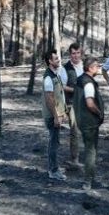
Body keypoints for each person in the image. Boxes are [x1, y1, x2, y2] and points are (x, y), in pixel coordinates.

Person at [73, 56, 105, 190]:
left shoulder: (80, 80)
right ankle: (88, 181)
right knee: (91, 151)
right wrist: (99, 113)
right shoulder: (88, 83)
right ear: (91, 68)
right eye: (97, 66)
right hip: (89, 121)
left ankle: (90, 178)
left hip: (81, 119)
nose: (98, 68)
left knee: (89, 150)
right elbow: (90, 103)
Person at [41, 49, 67, 182]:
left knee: (55, 142)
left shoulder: (55, 74)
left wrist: (63, 112)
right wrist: (56, 116)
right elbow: (49, 99)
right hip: (52, 116)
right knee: (53, 143)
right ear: (50, 61)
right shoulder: (48, 78)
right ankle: (53, 170)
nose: (58, 60)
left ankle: (54, 168)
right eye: (56, 58)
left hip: (57, 114)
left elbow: (59, 95)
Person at [62, 42, 83, 169]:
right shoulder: (65, 68)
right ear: (70, 55)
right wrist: (75, 91)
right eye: (73, 53)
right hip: (72, 103)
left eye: (78, 53)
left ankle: (90, 155)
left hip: (86, 102)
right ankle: (74, 159)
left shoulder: (85, 66)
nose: (76, 56)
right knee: (75, 130)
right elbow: (61, 86)